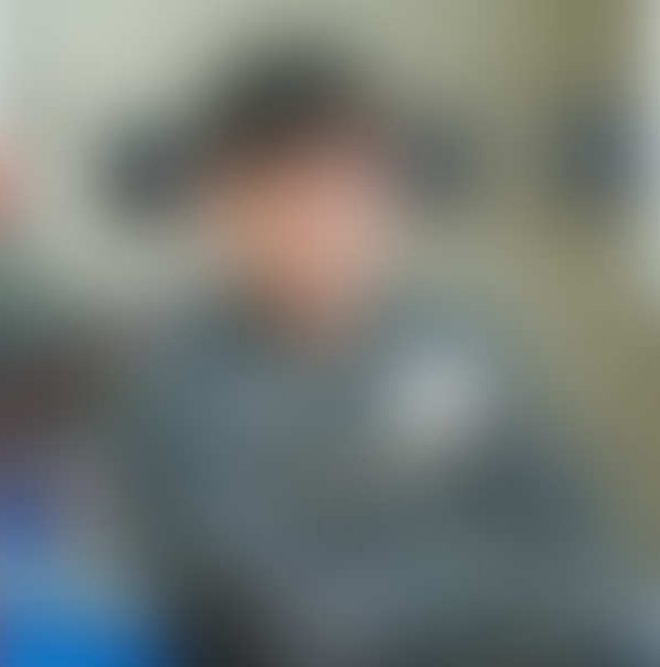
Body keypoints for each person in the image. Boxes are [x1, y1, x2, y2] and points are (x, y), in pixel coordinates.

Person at [119, 50, 642, 667]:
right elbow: (285, 614)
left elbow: (572, 533)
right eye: (288, 199)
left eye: (346, 193)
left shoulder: (458, 343)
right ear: (231, 211)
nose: (321, 228)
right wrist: (484, 592)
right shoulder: (182, 389)